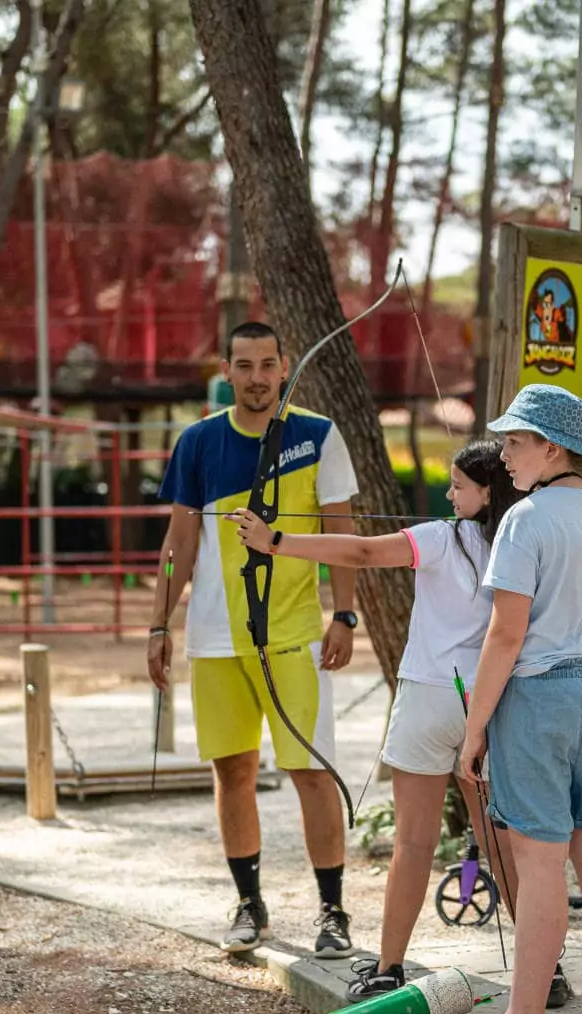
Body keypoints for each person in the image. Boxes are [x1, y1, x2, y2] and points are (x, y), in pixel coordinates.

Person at [227, 441, 572, 1006]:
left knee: (413, 841)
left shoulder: (439, 538)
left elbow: (361, 552)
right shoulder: (524, 539)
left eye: (459, 486)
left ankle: (388, 969)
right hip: (488, 705)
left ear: (487, 492)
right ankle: (547, 971)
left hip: (429, 702)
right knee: (504, 842)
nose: (448, 493)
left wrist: (276, 542)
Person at [438, 383, 582, 1014]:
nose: (505, 454)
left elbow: (505, 635)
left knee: (540, 858)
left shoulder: (526, 520)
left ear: (552, 447)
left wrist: (475, 731)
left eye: (516, 441)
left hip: (542, 694)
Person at [149, 321, 360, 960]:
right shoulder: (198, 441)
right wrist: (159, 624)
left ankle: (333, 911)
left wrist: (344, 615)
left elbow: (342, 529)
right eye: (245, 365)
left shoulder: (318, 434)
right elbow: (178, 544)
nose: (258, 377)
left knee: (310, 771)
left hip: (292, 636)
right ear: (227, 369)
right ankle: (250, 904)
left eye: (268, 364)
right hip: (215, 640)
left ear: (284, 365)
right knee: (232, 771)